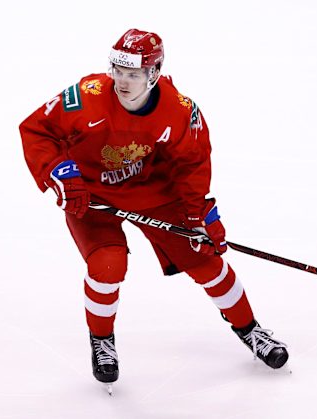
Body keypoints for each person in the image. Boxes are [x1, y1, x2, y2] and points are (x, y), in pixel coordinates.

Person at [19, 29, 289, 388]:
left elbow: (192, 166)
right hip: (93, 196)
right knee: (108, 265)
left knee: (207, 262)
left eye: (133, 74)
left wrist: (198, 215)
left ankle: (251, 330)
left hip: (155, 194)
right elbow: (37, 130)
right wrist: (59, 173)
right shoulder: (86, 97)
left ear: (154, 73)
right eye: (118, 70)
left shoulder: (180, 111)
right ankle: (102, 341)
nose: (122, 81)